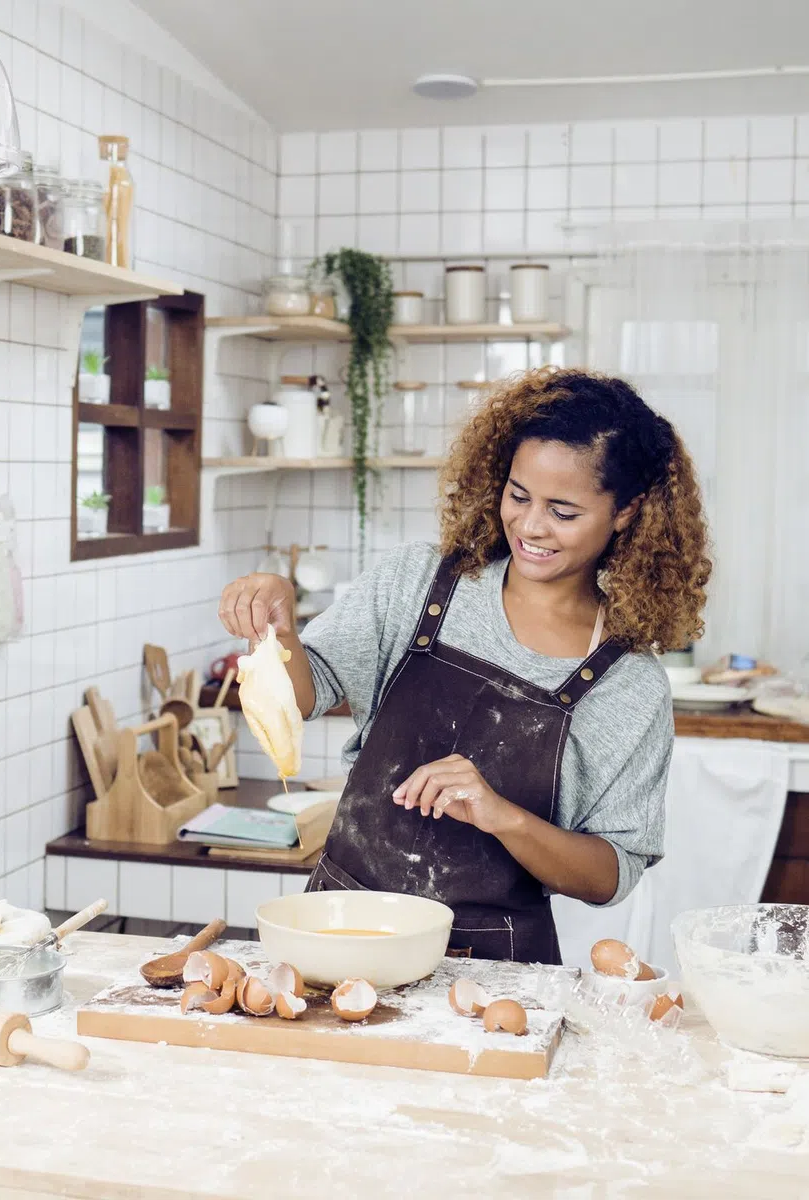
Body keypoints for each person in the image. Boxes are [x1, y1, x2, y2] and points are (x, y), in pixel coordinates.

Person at [218, 368, 710, 964]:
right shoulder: (418, 583)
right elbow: (303, 696)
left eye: (564, 511)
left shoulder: (627, 684)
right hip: (343, 927)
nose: (530, 526)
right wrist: (280, 627)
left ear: (627, 512)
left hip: (495, 966)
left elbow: (610, 875)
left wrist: (503, 817)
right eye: (519, 495)